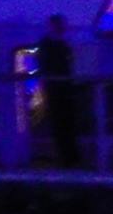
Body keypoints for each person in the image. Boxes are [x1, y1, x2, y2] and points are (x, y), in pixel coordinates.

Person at [33, 13, 89, 168]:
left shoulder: (58, 44)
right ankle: (67, 157)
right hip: (57, 88)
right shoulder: (51, 45)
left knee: (67, 123)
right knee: (61, 123)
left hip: (62, 87)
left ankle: (70, 156)